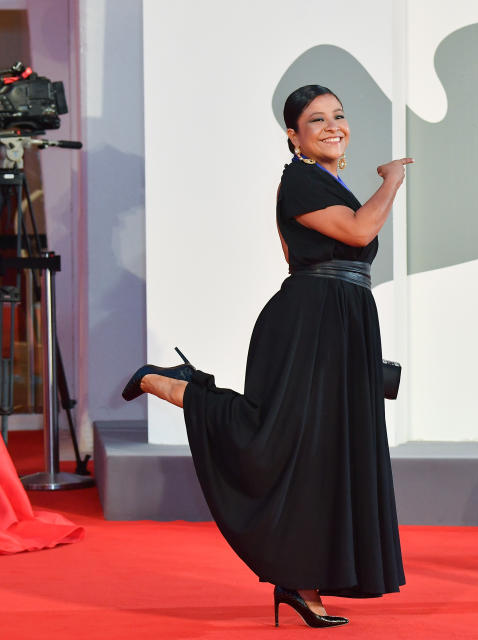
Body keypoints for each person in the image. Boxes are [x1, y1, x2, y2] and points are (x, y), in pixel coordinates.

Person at [122, 85, 411, 628]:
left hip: (339, 319)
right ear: (294, 136)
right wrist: (392, 180)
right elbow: (358, 229)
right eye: (316, 120)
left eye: (339, 116)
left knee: (324, 451)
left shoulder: (325, 181)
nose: (333, 126)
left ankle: (302, 583)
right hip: (307, 322)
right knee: (275, 439)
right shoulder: (300, 179)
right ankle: (174, 385)